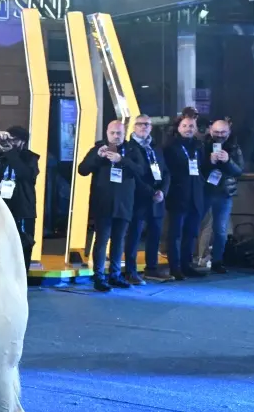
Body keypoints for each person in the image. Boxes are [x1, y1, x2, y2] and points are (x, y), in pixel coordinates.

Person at [77, 120, 144, 292]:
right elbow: (82, 170)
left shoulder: (132, 150)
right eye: (112, 133)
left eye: (119, 133)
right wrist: (97, 157)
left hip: (124, 202)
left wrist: (122, 160)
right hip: (103, 202)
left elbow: (141, 171)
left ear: (124, 133)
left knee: (119, 240)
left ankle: (115, 275)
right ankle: (99, 276)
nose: (115, 136)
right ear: (107, 133)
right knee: (102, 240)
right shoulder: (99, 149)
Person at [0, 127, 40, 267]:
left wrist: (10, 152)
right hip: (1, 208)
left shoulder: (30, 158)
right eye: (8, 139)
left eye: (14, 140)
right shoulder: (1, 157)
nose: (10, 142)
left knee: (23, 244)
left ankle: (22, 275)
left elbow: (24, 173)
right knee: (0, 244)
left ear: (22, 142)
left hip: (22, 210)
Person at [123, 115, 169, 283]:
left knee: (155, 234)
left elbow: (166, 172)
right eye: (140, 124)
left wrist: (162, 191)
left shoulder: (155, 147)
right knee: (134, 236)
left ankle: (152, 268)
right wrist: (151, 192)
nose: (144, 127)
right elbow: (135, 175)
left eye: (147, 124)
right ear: (134, 127)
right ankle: (130, 271)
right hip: (139, 198)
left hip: (157, 199)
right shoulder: (129, 148)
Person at [163, 109, 207, 281]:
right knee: (175, 234)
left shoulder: (198, 146)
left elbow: (202, 168)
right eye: (185, 126)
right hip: (178, 194)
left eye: (191, 126)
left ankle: (187, 265)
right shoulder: (170, 146)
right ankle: (175, 267)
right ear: (178, 127)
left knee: (191, 232)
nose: (188, 129)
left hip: (196, 195)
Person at [200, 118, 243, 273]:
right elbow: (196, 168)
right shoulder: (202, 145)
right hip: (204, 191)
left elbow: (239, 170)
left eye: (223, 132)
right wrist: (209, 161)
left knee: (220, 229)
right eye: (216, 132)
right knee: (197, 226)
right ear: (211, 131)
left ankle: (217, 261)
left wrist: (228, 160)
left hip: (224, 193)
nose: (219, 135)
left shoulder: (234, 147)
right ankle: (194, 258)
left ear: (229, 132)